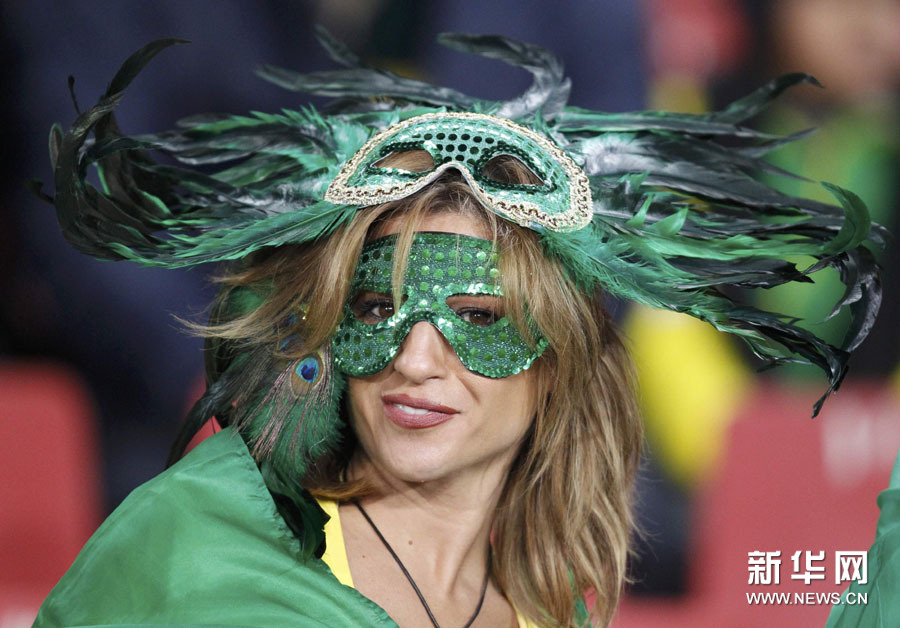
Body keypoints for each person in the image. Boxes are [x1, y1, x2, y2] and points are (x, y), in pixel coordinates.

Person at [30, 31, 881, 628]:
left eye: (477, 317)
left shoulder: (556, 602)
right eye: (373, 311)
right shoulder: (189, 549)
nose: (415, 355)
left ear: (562, 356)